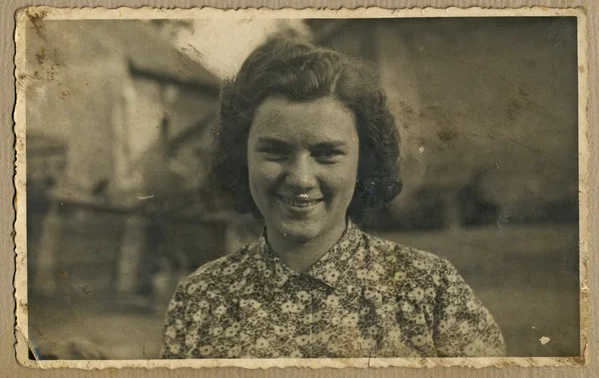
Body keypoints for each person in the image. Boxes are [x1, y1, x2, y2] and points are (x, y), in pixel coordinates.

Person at [161, 37, 505, 359]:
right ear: (241, 157)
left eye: (326, 154)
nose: (300, 178)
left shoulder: (430, 291)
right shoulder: (201, 300)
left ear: (363, 162)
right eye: (275, 151)